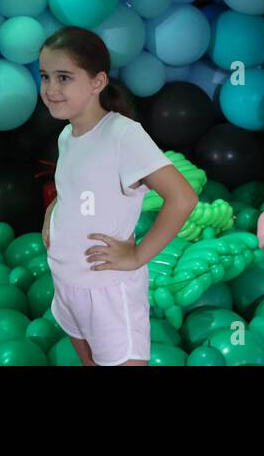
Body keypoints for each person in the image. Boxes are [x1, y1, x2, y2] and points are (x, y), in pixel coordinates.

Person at [38, 26, 197, 367]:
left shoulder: (123, 135)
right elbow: (74, 188)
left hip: (107, 291)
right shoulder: (68, 135)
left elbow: (182, 197)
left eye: (64, 77)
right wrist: (53, 211)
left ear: (97, 82)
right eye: (45, 76)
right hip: (67, 282)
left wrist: (138, 255)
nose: (50, 89)